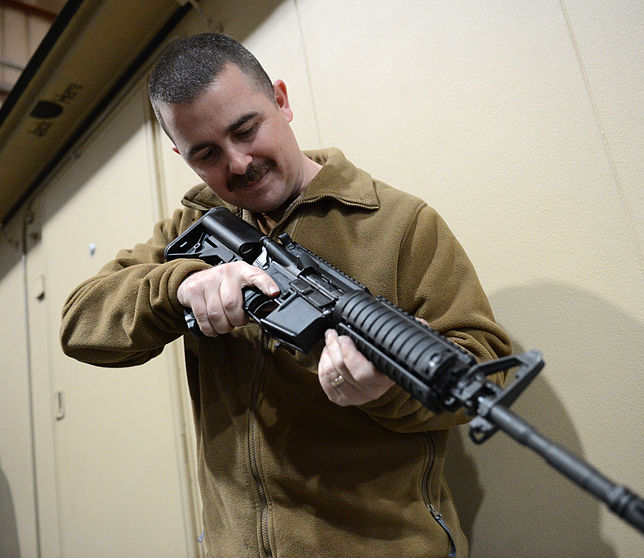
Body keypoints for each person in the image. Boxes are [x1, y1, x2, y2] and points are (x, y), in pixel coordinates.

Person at [60, 33, 511, 558]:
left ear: (281, 99)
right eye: (206, 153)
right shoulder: (197, 224)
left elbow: (487, 369)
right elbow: (79, 323)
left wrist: (388, 387)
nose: (238, 163)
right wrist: (177, 288)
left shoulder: (400, 224)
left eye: (246, 129)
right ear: (180, 154)